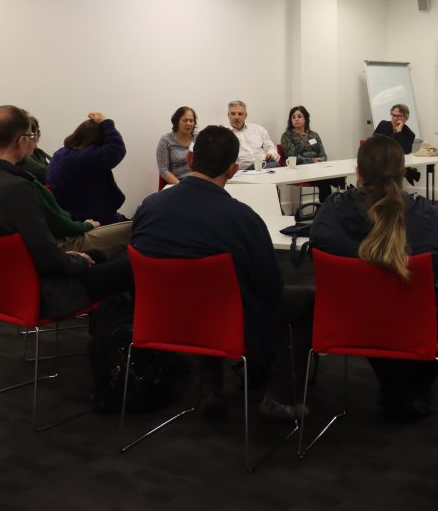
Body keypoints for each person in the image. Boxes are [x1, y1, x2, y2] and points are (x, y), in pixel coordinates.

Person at [132, 125, 313, 421]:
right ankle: (278, 395)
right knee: (305, 301)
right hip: (225, 320)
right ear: (232, 169)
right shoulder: (243, 220)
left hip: (161, 318)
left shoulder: (149, 207)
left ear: (190, 160)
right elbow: (271, 288)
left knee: (201, 293)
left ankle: (210, 390)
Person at [310, 134, 438, 419]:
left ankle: (390, 383)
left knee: (374, 308)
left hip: (350, 321)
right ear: (403, 173)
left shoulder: (331, 211)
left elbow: (316, 252)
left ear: (358, 172)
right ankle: (416, 388)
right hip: (416, 321)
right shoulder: (423, 213)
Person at [0, 105, 133, 318]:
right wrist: (77, 260)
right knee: (132, 266)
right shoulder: (18, 189)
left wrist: (71, 256)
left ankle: (113, 333)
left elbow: (29, 250)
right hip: (44, 293)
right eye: (30, 136)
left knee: (98, 255)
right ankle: (133, 341)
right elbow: (49, 261)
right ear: (20, 141)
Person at [46, 112, 128, 225]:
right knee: (138, 227)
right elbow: (117, 149)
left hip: (70, 217)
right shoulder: (85, 158)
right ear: (98, 141)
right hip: (90, 220)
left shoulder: (60, 154)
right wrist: (106, 122)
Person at [279, 105, 344, 203]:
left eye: (299, 116)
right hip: (299, 169)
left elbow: (323, 155)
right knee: (325, 180)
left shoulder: (314, 135)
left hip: (318, 167)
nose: (296, 119)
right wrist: (312, 161)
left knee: (340, 175)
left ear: (305, 119)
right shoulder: (287, 136)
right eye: (293, 117)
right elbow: (292, 157)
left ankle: (337, 204)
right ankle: (327, 209)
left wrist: (320, 160)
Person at [374, 103, 420, 185]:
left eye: (399, 116)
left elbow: (405, 151)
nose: (395, 118)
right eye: (393, 115)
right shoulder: (383, 125)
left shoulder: (409, 134)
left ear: (405, 118)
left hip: (393, 165)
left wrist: (399, 132)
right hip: (379, 161)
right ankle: (408, 172)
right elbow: (373, 142)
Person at [226, 100, 278, 171]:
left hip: (264, 165)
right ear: (228, 115)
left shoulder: (258, 129)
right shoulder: (223, 134)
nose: (236, 117)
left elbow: (271, 148)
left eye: (240, 114)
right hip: (242, 170)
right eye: (233, 113)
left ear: (245, 116)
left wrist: (271, 154)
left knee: (275, 164)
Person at [156, 106, 197, 186]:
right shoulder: (165, 140)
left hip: (199, 181)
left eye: (191, 121)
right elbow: (163, 170)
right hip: (177, 183)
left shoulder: (199, 137)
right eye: (185, 120)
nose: (188, 123)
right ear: (176, 122)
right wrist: (181, 186)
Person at [16, 115, 51, 183]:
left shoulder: (39, 152)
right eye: (31, 134)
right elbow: (47, 174)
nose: (33, 137)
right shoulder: (23, 158)